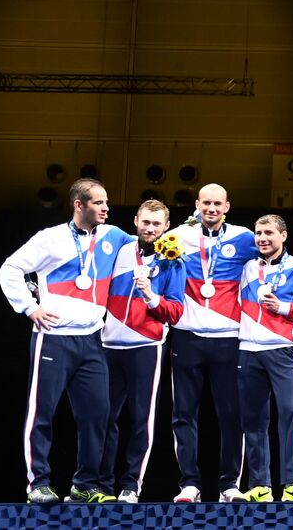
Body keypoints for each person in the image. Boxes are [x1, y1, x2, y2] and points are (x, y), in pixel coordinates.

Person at [166, 184, 293, 503]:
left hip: (229, 339)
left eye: (217, 203)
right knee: (184, 414)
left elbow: (276, 252)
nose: (211, 208)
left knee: (233, 415)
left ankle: (230, 484)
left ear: (227, 206)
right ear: (197, 204)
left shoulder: (245, 237)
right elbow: (150, 249)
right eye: (206, 202)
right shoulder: (179, 235)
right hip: (187, 335)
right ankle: (189, 484)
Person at [0, 179, 133, 503]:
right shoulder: (51, 239)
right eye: (98, 203)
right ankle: (38, 484)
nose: (105, 208)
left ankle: (85, 484)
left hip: (91, 340)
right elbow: (10, 268)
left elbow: (147, 240)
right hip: (54, 339)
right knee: (41, 413)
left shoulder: (113, 236)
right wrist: (29, 308)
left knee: (98, 415)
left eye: (106, 202)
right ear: (79, 204)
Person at [99, 199, 186, 503]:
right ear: (136, 220)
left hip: (146, 348)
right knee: (102, 418)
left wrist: (150, 295)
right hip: (108, 345)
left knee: (140, 420)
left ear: (166, 226)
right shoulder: (118, 250)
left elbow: (175, 312)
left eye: (156, 224)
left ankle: (130, 486)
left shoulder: (173, 261)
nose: (150, 228)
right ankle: (99, 485)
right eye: (145, 222)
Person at [238, 215, 293, 502]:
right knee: (253, 420)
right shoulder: (247, 266)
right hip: (248, 350)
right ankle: (259, 486)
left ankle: (292, 484)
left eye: (269, 233)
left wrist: (284, 308)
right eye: (258, 233)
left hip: (283, 350)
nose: (262, 238)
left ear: (283, 236)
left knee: (289, 414)